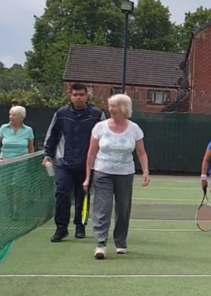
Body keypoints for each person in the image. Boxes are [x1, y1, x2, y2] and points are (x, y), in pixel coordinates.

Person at [83, 93, 150, 259]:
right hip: (102, 172)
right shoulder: (100, 127)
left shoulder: (134, 128)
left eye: (113, 106)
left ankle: (120, 242)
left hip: (125, 174)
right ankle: (100, 244)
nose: (110, 109)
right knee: (103, 207)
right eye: (110, 105)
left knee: (123, 208)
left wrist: (146, 171)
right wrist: (87, 176)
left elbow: (141, 153)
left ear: (123, 108)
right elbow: (91, 154)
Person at [43, 83, 106, 242]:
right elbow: (52, 136)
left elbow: (105, 138)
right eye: (75, 94)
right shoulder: (61, 113)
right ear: (70, 96)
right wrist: (48, 155)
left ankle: (80, 226)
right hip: (64, 163)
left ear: (87, 96)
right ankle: (61, 228)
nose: (78, 97)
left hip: (87, 165)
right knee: (62, 193)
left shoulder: (97, 114)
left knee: (82, 196)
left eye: (81, 95)